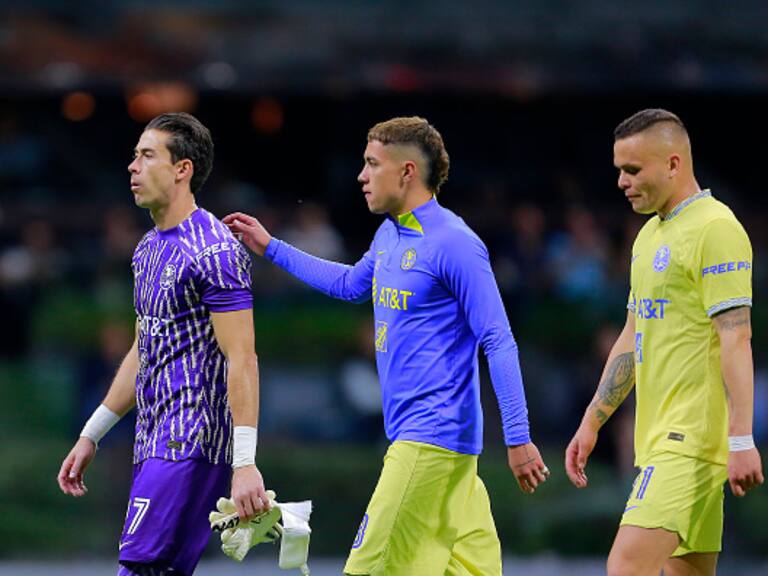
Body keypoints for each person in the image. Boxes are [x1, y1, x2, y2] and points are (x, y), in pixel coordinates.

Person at [224, 116, 549, 576]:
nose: (361, 175)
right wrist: (271, 247)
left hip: (429, 441)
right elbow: (350, 284)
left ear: (407, 173)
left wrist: (517, 436)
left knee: (366, 570)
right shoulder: (390, 233)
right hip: (442, 455)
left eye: (372, 163)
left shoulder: (455, 244)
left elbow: (497, 338)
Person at [57, 112, 269, 576]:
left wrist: (246, 464)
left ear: (182, 169)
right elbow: (145, 347)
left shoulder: (216, 251)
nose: (132, 166)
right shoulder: (147, 249)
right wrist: (92, 433)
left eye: (147, 155)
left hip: (191, 441)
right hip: (153, 438)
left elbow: (243, 358)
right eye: (134, 155)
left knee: (138, 568)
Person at [565, 108, 764, 576]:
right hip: (659, 440)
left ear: (674, 164)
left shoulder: (716, 228)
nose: (621, 181)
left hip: (688, 441)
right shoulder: (649, 235)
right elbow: (634, 335)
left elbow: (736, 337)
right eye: (618, 169)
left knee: (625, 567)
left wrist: (742, 438)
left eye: (632, 170)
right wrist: (593, 420)